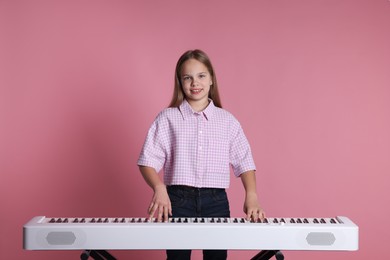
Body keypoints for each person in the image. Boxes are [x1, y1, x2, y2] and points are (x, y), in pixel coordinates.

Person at [137, 49, 265, 260]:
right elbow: (147, 161)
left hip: (215, 201)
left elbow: (245, 162)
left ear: (212, 79)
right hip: (177, 200)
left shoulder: (227, 121)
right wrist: (159, 188)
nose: (194, 83)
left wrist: (251, 196)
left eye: (201, 76)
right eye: (187, 78)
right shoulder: (168, 118)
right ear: (180, 82)